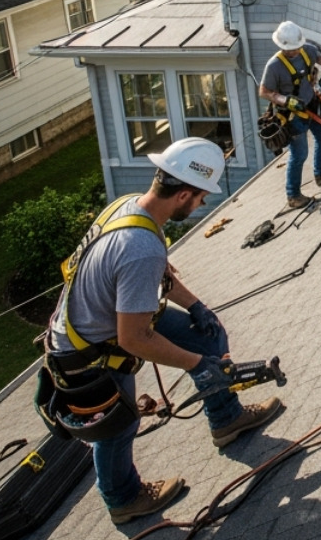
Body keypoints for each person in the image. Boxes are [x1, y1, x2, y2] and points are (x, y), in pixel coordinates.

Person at [45, 138, 283, 524]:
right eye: (201, 198)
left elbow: (157, 277)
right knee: (118, 424)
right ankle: (124, 499)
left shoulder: (129, 207)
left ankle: (227, 419)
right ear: (184, 193)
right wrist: (199, 366)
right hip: (87, 353)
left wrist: (196, 307)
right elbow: (134, 339)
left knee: (208, 337)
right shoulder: (139, 246)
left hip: (109, 322)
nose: (202, 205)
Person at [259, 21, 321, 208]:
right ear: (281, 45)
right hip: (292, 115)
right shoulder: (274, 66)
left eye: (297, 48)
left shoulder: (308, 50)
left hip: (310, 105)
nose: (294, 52)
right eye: (290, 49)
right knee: (299, 154)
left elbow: (320, 62)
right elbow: (264, 91)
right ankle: (293, 195)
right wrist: (285, 100)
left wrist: (317, 74)